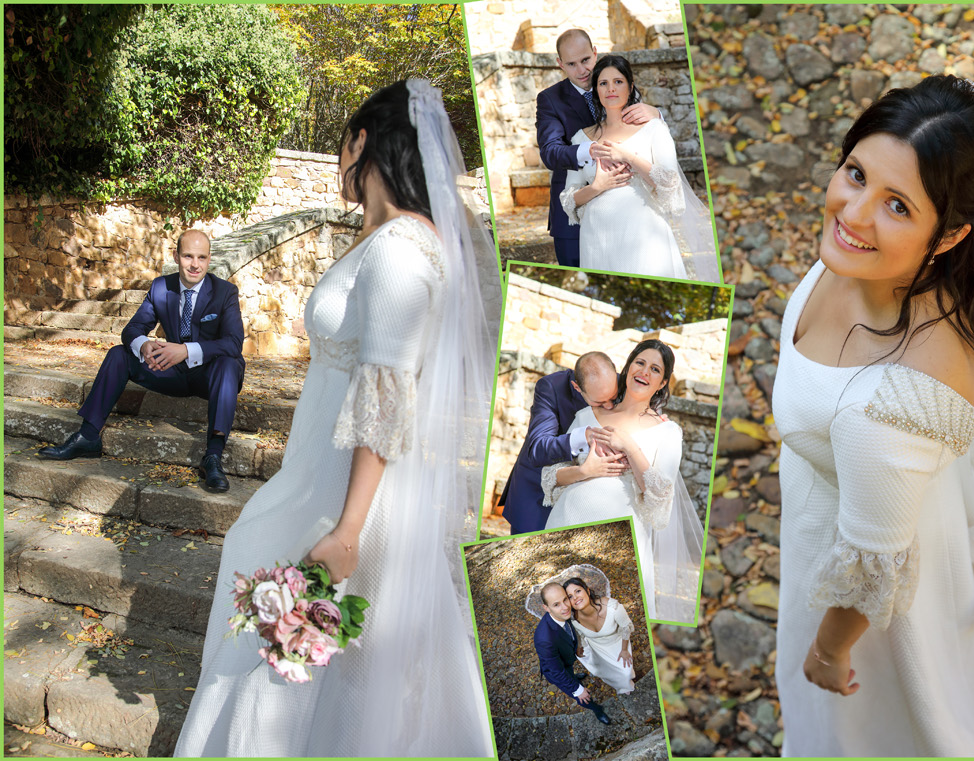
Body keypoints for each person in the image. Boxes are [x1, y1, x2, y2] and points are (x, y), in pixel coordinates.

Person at [174, 80, 499, 756]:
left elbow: (387, 395)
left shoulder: (402, 252)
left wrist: (348, 529)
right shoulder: (386, 239)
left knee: (293, 639)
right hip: (322, 467)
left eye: (342, 144)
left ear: (364, 142)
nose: (337, 161)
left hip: (346, 488)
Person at [770, 75, 974, 757]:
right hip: (829, 537)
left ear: (951, 232)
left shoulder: (901, 395)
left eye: (896, 204)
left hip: (877, 623)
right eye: (855, 173)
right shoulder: (856, 259)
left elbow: (872, 563)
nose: (854, 214)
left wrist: (829, 652)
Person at [39, 229, 244, 493]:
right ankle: (88, 437)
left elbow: (233, 343)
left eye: (202, 257)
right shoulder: (160, 287)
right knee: (119, 354)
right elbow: (131, 329)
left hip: (212, 377)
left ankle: (213, 456)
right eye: (188, 256)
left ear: (209, 259)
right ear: (176, 256)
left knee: (228, 362)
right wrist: (144, 345)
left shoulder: (224, 292)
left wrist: (186, 350)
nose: (195, 264)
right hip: (172, 372)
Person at [540, 340, 705, 624]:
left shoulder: (667, 432)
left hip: (620, 536)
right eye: (640, 363)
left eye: (655, 369)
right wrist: (586, 470)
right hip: (566, 520)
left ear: (662, 383)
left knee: (616, 613)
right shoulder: (585, 416)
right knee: (567, 606)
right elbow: (550, 478)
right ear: (628, 368)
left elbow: (660, 496)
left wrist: (630, 446)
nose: (645, 371)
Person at [558, 54, 715, 280]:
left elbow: (670, 183)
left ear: (630, 87)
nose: (611, 88)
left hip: (644, 236)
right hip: (597, 239)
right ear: (595, 90)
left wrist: (628, 156)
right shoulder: (580, 139)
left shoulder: (654, 129)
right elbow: (568, 199)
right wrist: (597, 186)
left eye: (618, 81)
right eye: (603, 83)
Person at [536, 29, 659, 268]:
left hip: (627, 213)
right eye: (571, 64)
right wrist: (589, 149)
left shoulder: (619, 86)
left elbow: (647, 135)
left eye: (585, 60)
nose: (581, 70)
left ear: (595, 53)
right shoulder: (550, 99)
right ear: (560, 64)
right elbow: (550, 152)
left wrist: (656, 114)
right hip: (572, 215)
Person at [497, 351, 620, 534]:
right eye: (600, 402)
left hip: (591, 500)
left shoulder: (623, 383)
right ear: (577, 387)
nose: (610, 406)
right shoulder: (551, 387)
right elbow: (538, 447)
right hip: (538, 495)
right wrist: (583, 436)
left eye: (613, 398)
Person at [530, 579, 612, 725]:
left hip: (566, 658)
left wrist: (576, 647)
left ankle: (574, 675)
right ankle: (597, 710)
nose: (565, 607)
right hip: (558, 670)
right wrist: (577, 689)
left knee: (571, 673)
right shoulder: (544, 639)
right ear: (546, 608)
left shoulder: (562, 614)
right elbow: (555, 671)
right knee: (582, 696)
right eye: (556, 604)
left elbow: (568, 632)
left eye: (565, 599)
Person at [563, 574, 635, 694]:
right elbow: (580, 633)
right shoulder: (574, 619)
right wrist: (580, 646)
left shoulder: (612, 607)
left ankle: (626, 684)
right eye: (570, 596)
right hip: (597, 648)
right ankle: (619, 685)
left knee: (625, 671)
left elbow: (625, 627)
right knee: (604, 671)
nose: (575, 598)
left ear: (587, 590)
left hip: (617, 643)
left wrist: (624, 650)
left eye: (578, 591)